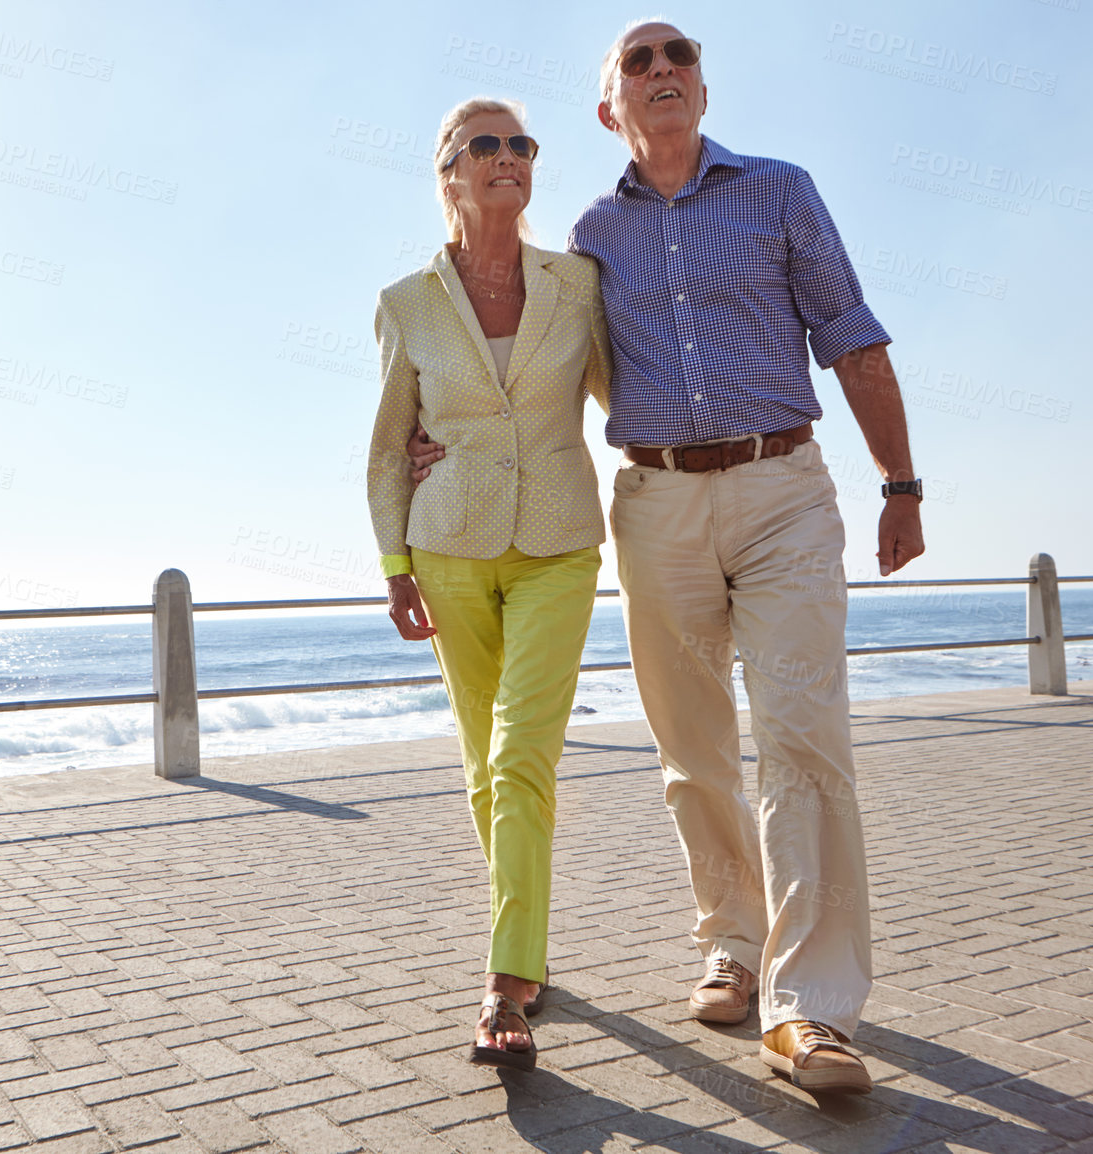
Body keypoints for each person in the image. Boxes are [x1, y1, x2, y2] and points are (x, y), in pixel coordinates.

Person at [409, 22, 925, 1094]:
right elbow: (537, 362)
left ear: (700, 84)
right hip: (652, 501)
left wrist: (900, 480)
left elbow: (850, 330)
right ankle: (730, 942)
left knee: (802, 737)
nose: (660, 72)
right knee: (691, 749)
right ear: (610, 109)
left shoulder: (780, 190)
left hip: (783, 488)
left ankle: (808, 1006)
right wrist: (444, 433)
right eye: (635, 64)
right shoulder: (593, 235)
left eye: (676, 56)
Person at [368, 97, 612, 1072]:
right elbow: (389, 446)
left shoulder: (579, 283)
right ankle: (532, 942)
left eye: (521, 143)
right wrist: (394, 564)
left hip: (559, 544)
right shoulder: (404, 303)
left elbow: (625, 397)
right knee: (482, 766)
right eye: (486, 143)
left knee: (520, 753)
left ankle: (508, 979)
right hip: (450, 551)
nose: (509, 156)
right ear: (449, 173)